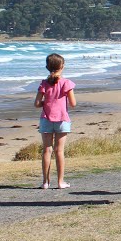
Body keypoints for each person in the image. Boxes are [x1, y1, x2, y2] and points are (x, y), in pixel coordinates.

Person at [34, 53, 76, 189]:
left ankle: (45, 182)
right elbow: (73, 103)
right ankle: (60, 181)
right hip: (62, 119)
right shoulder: (66, 83)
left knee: (47, 150)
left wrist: (46, 103)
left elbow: (37, 103)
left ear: (47, 67)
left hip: (46, 118)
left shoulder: (44, 83)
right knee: (59, 151)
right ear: (62, 66)